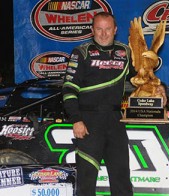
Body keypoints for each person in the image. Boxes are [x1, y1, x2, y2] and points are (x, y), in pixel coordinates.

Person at [62, 12, 135, 196]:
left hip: (115, 121)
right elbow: (69, 90)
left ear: (115, 30)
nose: (104, 34)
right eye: (99, 29)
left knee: (122, 179)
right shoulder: (81, 52)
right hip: (88, 122)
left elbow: (141, 79)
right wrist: (76, 119)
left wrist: (159, 90)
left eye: (108, 29)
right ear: (92, 30)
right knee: (86, 181)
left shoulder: (125, 52)